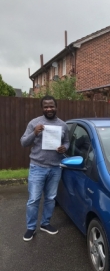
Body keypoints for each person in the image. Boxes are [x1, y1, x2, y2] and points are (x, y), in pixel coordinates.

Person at [20, 95, 69, 241]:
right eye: (46, 106)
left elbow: (67, 142)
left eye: (51, 106)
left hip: (55, 168)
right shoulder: (34, 123)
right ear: (42, 108)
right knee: (34, 199)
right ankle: (30, 227)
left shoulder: (63, 125)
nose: (49, 109)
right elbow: (23, 142)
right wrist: (34, 132)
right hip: (37, 167)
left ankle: (45, 223)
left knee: (50, 198)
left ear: (56, 107)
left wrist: (64, 148)